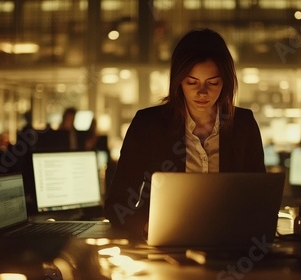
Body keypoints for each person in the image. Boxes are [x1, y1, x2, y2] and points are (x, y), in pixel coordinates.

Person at [104, 28, 266, 235]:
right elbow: (117, 205)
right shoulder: (149, 125)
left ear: (226, 82)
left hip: (230, 242)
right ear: (178, 81)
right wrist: (150, 228)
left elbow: (260, 199)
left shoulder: (243, 124)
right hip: (164, 243)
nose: (202, 92)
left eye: (213, 82)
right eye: (192, 82)